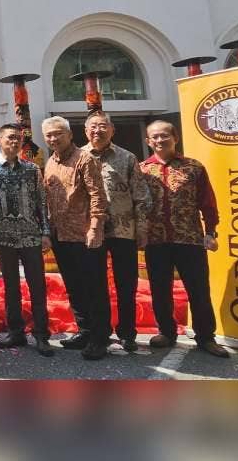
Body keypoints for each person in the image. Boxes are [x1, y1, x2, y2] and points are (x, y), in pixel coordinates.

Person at [139, 120, 229, 358]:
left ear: (175, 138)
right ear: (148, 141)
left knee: (198, 289)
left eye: (164, 136)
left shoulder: (193, 167)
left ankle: (206, 337)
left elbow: (208, 203)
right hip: (156, 241)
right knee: (160, 289)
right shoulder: (142, 170)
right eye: (154, 137)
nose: (160, 140)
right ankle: (166, 332)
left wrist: (210, 231)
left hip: (189, 239)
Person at [0, 124, 54, 357]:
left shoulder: (32, 170)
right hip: (4, 238)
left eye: (18, 139)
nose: (15, 142)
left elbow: (41, 202)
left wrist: (45, 232)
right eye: (10, 138)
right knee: (11, 287)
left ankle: (42, 334)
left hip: (31, 236)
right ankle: (16, 332)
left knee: (37, 286)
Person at [82, 112, 152, 352]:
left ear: (112, 130)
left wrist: (142, 227)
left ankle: (127, 332)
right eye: (93, 127)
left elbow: (141, 195)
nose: (97, 131)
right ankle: (99, 333)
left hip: (124, 230)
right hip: (92, 231)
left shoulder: (127, 157)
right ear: (85, 131)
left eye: (103, 126)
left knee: (126, 284)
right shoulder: (79, 157)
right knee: (94, 284)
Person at [42, 116, 110, 361]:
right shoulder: (50, 162)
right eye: (49, 135)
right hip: (61, 235)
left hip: (85, 235)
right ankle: (85, 331)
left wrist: (95, 227)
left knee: (95, 288)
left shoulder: (85, 158)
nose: (53, 138)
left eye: (58, 133)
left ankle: (100, 338)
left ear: (70, 135)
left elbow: (97, 195)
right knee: (74, 287)